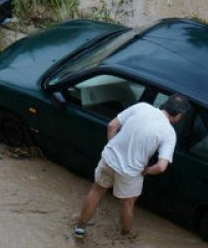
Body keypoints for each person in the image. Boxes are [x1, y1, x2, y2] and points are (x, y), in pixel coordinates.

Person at [74, 94, 190, 238]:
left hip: (109, 159)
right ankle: (125, 236)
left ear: (165, 104)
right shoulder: (169, 133)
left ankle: (80, 228)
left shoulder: (142, 106)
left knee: (96, 191)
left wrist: (112, 146)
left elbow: (112, 126)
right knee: (127, 203)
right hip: (132, 172)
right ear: (179, 116)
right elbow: (161, 167)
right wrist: (146, 171)